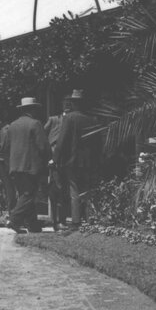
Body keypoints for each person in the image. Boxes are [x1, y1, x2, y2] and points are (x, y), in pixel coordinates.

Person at [0, 96, 50, 233]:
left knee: (24, 195)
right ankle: (14, 219)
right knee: (28, 195)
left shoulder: (12, 125)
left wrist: (10, 163)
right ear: (32, 109)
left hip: (15, 167)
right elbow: (43, 146)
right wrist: (48, 160)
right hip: (30, 167)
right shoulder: (35, 124)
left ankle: (33, 225)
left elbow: (5, 148)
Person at [54, 89, 97, 230]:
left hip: (73, 160)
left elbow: (62, 141)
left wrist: (55, 159)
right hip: (88, 159)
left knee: (74, 190)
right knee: (86, 189)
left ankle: (76, 221)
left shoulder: (70, 118)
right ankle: (89, 217)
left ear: (73, 103)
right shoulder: (90, 119)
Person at [44, 97, 73, 232]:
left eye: (69, 103)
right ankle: (56, 221)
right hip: (54, 160)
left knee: (65, 190)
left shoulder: (73, 119)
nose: (67, 105)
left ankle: (61, 220)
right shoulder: (54, 120)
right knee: (56, 189)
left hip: (68, 159)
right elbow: (42, 136)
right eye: (64, 103)